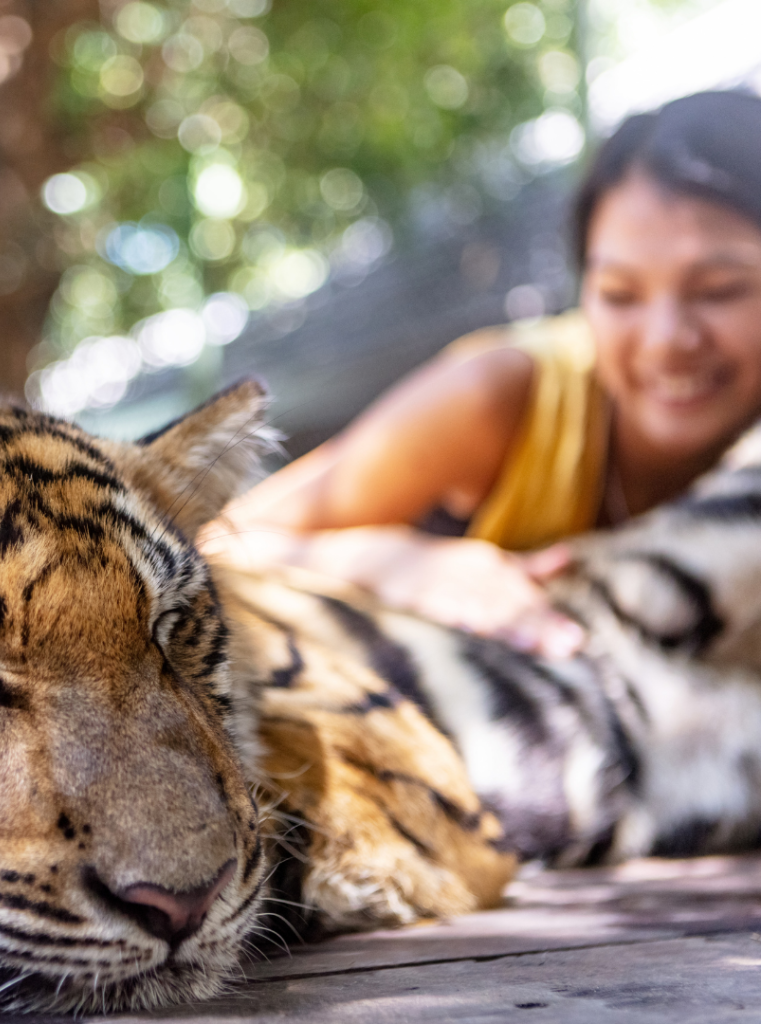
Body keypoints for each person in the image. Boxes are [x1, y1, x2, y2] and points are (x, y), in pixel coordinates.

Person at [203, 90, 761, 657]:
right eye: (619, 295)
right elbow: (209, 550)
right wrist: (394, 562)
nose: (667, 339)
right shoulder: (499, 397)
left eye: (720, 290)